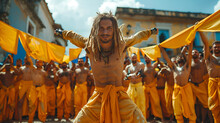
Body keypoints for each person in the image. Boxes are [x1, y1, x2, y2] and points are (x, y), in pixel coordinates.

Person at [55, 12, 158, 122]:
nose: (105, 32)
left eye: (109, 28)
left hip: (120, 97)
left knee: (139, 120)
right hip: (98, 97)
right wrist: (62, 33)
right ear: (96, 30)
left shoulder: (122, 44)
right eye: (101, 28)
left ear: (114, 30)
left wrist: (150, 32)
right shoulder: (89, 45)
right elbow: (74, 36)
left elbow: (137, 37)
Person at [159, 43, 196, 123]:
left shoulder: (187, 66)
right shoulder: (174, 68)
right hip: (176, 90)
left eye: (181, 57)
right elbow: (166, 58)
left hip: (186, 89)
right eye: (178, 57)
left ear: (184, 58)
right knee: (177, 109)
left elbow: (189, 54)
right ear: (176, 60)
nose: (180, 57)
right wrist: (161, 49)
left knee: (190, 108)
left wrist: (191, 44)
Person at [199, 32, 220, 123]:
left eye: (219, 47)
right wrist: (200, 31)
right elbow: (206, 43)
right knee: (214, 107)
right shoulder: (209, 58)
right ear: (212, 48)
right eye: (215, 47)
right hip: (212, 84)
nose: (217, 48)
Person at [190, 49, 210, 122]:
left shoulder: (202, 62)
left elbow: (206, 53)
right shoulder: (189, 63)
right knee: (192, 105)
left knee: (205, 104)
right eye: (192, 52)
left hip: (201, 85)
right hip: (192, 85)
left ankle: (203, 120)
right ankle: (195, 119)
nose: (194, 53)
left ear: (198, 54)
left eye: (196, 52)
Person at [142, 55, 162, 121]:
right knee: (146, 103)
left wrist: (155, 54)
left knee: (156, 102)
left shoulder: (153, 66)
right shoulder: (143, 67)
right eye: (146, 57)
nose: (147, 59)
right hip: (145, 87)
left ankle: (158, 116)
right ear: (144, 59)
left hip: (153, 87)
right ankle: (146, 116)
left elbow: (159, 62)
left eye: (148, 57)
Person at [125, 53, 146, 117]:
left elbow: (143, 74)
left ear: (137, 58)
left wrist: (138, 75)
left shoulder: (141, 65)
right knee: (131, 105)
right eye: (133, 58)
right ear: (130, 58)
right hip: (131, 87)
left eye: (135, 57)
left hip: (139, 86)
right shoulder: (128, 67)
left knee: (141, 104)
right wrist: (131, 75)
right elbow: (126, 77)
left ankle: (142, 119)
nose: (134, 59)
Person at [0, 55, 18, 122]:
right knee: (1, 104)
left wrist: (12, 66)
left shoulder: (12, 72)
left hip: (11, 89)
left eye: (8, 64)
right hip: (3, 89)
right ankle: (1, 118)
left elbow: (18, 73)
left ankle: (10, 117)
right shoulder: (2, 73)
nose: (7, 66)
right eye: (6, 64)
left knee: (11, 104)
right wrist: (3, 66)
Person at [18, 55, 34, 122]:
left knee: (30, 103)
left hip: (30, 84)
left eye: (27, 59)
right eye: (25, 59)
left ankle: (30, 119)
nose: (26, 60)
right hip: (23, 84)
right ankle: (20, 120)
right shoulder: (21, 68)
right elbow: (19, 75)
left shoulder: (33, 67)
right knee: (20, 102)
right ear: (24, 60)